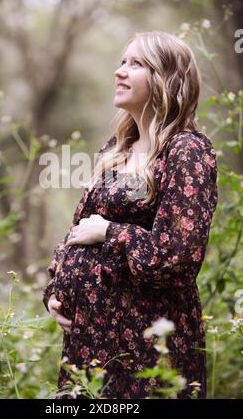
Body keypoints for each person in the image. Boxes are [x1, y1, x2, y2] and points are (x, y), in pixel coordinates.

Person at [42, 30, 218, 399]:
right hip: (91, 342)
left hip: (146, 344)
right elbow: (81, 226)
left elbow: (177, 259)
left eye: (136, 64)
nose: (119, 72)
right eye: (122, 61)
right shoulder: (118, 149)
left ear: (165, 81)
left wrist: (112, 232)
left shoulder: (186, 151)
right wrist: (55, 288)